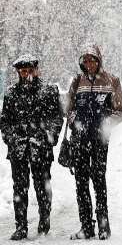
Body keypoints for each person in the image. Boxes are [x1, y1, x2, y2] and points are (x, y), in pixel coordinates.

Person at [0, 54, 63, 240]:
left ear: (36, 70)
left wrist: (49, 138)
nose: (26, 74)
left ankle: (44, 218)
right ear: (18, 72)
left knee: (42, 186)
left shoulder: (49, 91)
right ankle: (21, 226)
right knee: (19, 188)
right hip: (18, 149)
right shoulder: (11, 93)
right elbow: (4, 121)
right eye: (22, 71)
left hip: (41, 148)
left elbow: (57, 118)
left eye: (29, 70)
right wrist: (11, 139)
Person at [66, 44, 122, 240]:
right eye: (86, 60)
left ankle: (103, 226)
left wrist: (105, 124)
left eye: (92, 59)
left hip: (100, 141)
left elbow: (120, 111)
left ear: (99, 60)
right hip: (79, 141)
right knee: (81, 183)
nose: (89, 63)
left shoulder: (111, 81)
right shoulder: (77, 82)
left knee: (99, 181)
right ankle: (86, 226)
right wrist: (75, 119)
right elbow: (69, 108)